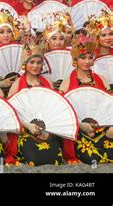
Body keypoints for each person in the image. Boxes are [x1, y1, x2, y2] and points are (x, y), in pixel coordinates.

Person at [7, 43, 65, 166]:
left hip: (46, 130)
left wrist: (47, 131)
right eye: (32, 62)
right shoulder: (17, 84)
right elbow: (9, 112)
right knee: (34, 159)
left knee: (55, 159)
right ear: (25, 64)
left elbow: (53, 108)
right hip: (24, 130)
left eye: (39, 62)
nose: (35, 66)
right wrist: (28, 126)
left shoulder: (47, 83)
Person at [59, 35, 112, 165]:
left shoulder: (102, 79)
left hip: (103, 127)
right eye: (83, 58)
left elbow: (110, 105)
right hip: (79, 129)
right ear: (75, 59)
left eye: (90, 57)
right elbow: (61, 110)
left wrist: (110, 125)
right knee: (91, 157)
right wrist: (80, 125)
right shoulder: (67, 83)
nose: (87, 61)